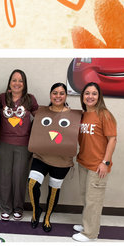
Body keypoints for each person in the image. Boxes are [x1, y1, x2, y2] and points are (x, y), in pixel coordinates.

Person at [28, 82, 78, 232]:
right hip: (41, 157)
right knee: (32, 184)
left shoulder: (74, 116)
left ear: (66, 96)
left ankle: (47, 217)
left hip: (62, 161)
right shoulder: (41, 112)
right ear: (50, 95)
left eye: (61, 93)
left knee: (54, 190)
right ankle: (36, 211)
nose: (58, 96)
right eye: (55, 93)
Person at [73, 83, 117, 242]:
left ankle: (90, 234)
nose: (90, 96)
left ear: (99, 97)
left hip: (98, 166)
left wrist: (105, 162)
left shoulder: (104, 114)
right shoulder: (83, 115)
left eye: (94, 93)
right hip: (83, 162)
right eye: (87, 93)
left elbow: (112, 139)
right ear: (82, 96)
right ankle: (87, 224)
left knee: (94, 200)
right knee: (86, 197)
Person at [0, 69, 39, 221]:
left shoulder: (30, 99)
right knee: (5, 177)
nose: (17, 83)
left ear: (24, 84)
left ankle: (18, 208)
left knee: (19, 177)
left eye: (20, 80)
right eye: (14, 80)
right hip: (4, 143)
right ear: (9, 83)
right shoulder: (2, 98)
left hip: (23, 144)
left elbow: (40, 117)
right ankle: (5, 208)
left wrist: (61, 112)